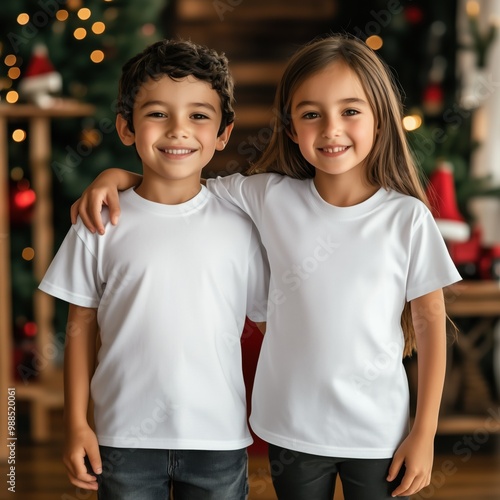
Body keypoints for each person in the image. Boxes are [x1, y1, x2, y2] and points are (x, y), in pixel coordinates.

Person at [71, 34, 462, 499]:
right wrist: (114, 178)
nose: (331, 129)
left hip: (381, 430)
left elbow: (432, 324)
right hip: (290, 429)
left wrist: (425, 432)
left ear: (381, 120)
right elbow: (176, 185)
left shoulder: (407, 218)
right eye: (311, 114)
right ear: (292, 127)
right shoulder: (267, 195)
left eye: (350, 111)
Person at [39, 39, 269, 500]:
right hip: (120, 441)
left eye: (199, 116)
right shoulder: (99, 221)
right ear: (126, 128)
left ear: (223, 134)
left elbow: (271, 327)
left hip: (218, 439)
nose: (178, 130)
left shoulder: (242, 224)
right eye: (158, 114)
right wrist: (76, 426)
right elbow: (79, 328)